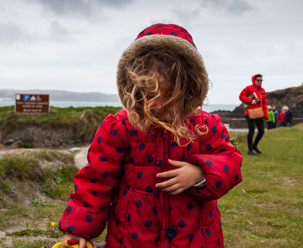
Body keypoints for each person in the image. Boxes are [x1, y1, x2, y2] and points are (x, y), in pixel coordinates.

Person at [58, 24, 243, 248]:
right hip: (132, 237)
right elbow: (96, 182)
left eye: (169, 98)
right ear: (132, 89)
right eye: (149, 96)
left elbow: (230, 163)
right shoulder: (119, 127)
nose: (157, 107)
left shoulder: (206, 127)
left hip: (197, 238)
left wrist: (200, 174)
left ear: (190, 90)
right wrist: (78, 229)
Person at [239, 74, 269, 155]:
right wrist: (250, 101)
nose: (260, 82)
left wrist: (266, 115)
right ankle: (250, 150)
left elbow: (264, 104)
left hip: (259, 113)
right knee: (251, 131)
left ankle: (254, 146)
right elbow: (241, 96)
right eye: (258, 80)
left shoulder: (262, 90)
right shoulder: (249, 88)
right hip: (250, 113)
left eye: (261, 80)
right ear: (254, 80)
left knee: (261, 131)